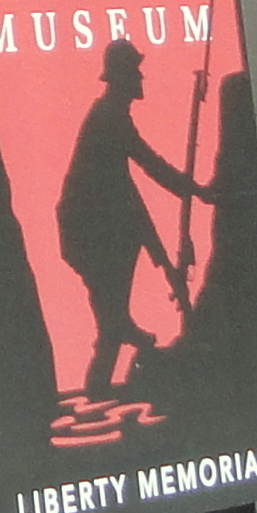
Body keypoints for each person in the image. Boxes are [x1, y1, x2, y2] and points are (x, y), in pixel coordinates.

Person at [55, 38, 216, 393]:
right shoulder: (109, 119)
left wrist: (161, 254)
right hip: (91, 234)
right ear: (123, 78)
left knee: (113, 325)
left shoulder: (112, 116)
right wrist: (198, 191)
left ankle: (113, 374)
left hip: (102, 231)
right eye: (135, 73)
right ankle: (106, 385)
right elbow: (145, 174)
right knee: (113, 327)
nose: (140, 79)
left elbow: (131, 196)